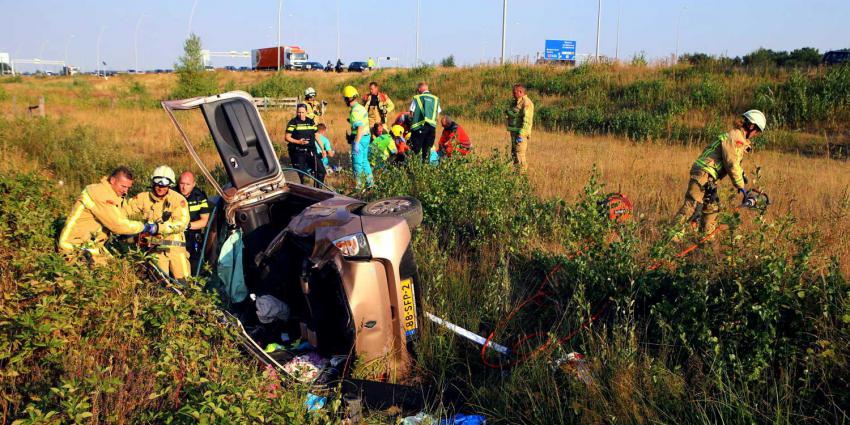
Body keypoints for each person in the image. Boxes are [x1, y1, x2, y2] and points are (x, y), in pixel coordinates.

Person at [673, 110, 767, 238]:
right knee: (691, 207)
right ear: (751, 126)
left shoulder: (737, 138)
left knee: (711, 211)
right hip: (703, 174)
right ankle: (670, 241)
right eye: (757, 131)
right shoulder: (736, 137)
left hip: (709, 178)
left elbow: (733, 162)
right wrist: (740, 185)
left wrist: (742, 174)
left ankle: (705, 245)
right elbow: (731, 163)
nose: (756, 135)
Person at [57, 166, 152, 263]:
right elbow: (117, 224)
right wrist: (144, 227)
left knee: (114, 266)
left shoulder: (112, 195)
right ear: (112, 180)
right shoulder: (101, 194)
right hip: (73, 247)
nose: (126, 191)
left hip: (89, 246)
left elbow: (117, 217)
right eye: (123, 186)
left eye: (128, 187)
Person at [124, 166, 191, 280]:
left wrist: (158, 228)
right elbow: (124, 210)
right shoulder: (143, 198)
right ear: (152, 182)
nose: (160, 187)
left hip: (175, 246)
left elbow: (182, 223)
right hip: (156, 247)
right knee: (161, 283)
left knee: (184, 281)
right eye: (157, 183)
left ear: (170, 185)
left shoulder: (178, 200)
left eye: (164, 185)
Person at [285, 104, 325, 185]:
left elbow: (316, 136)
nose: (300, 114)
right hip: (298, 153)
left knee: (321, 171)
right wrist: (298, 142)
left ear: (306, 112)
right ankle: (304, 192)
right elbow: (287, 137)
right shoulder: (293, 122)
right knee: (303, 177)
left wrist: (323, 149)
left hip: (311, 151)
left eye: (302, 112)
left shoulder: (311, 122)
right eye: (299, 112)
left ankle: (318, 191)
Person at [178, 171, 210, 273]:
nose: (184, 187)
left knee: (195, 266)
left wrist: (187, 226)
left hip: (193, 234)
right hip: (176, 235)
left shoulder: (199, 197)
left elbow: (204, 221)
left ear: (193, 184)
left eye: (188, 184)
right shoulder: (172, 194)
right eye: (182, 183)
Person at [342, 85, 373, 189]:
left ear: (347, 99)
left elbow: (359, 127)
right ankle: (370, 184)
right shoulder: (360, 107)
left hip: (360, 138)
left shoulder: (355, 111)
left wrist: (356, 143)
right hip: (366, 137)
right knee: (364, 161)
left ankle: (358, 187)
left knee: (357, 164)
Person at [408, 82, 441, 163]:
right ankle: (425, 171)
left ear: (419, 89)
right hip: (431, 129)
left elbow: (411, 113)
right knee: (426, 153)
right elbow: (438, 114)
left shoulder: (417, 97)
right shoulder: (436, 99)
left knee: (415, 152)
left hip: (418, 127)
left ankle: (413, 172)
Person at [506, 83, 535, 173]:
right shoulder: (516, 102)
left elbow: (527, 120)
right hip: (514, 133)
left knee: (520, 155)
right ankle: (516, 175)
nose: (513, 94)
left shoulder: (527, 103)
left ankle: (521, 176)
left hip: (520, 135)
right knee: (514, 154)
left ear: (520, 92)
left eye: (514, 93)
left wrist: (521, 135)